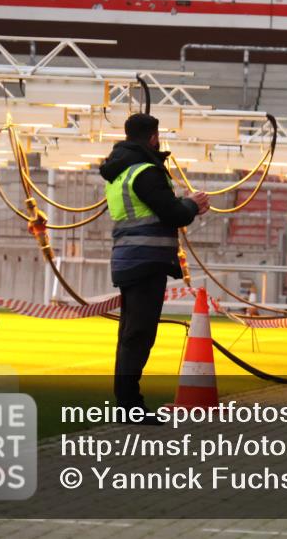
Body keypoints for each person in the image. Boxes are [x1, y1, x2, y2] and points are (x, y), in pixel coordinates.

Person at [100, 113, 210, 423]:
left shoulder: (119, 172)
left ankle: (127, 402)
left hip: (128, 258)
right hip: (146, 260)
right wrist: (191, 203)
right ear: (153, 137)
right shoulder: (146, 172)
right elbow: (173, 213)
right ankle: (130, 406)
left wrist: (183, 206)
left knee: (130, 334)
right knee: (139, 334)